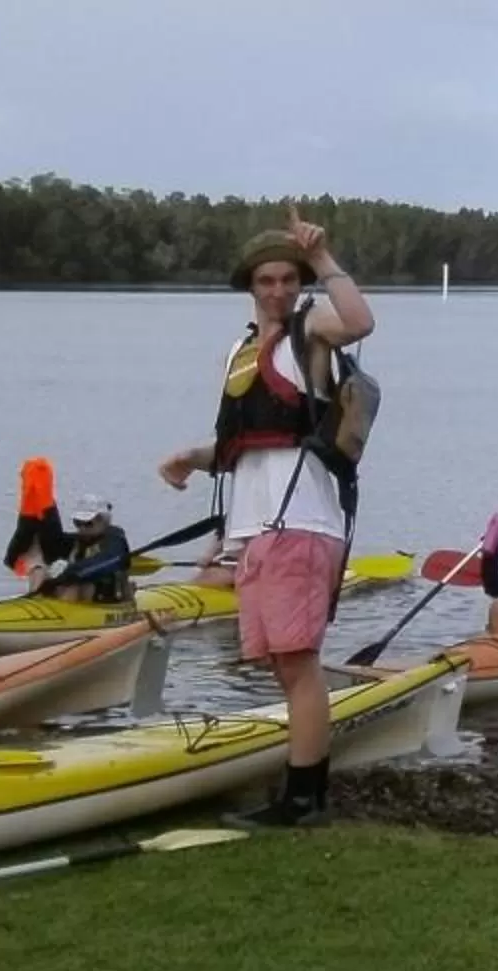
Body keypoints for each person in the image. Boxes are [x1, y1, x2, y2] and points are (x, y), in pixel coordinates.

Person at [156, 210, 373, 827]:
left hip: (300, 524)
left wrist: (325, 260)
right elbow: (245, 440)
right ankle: (301, 790)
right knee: (283, 664)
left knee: (299, 665)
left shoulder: (312, 335)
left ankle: (303, 800)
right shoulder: (242, 350)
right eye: (265, 280)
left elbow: (360, 320)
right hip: (258, 530)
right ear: (249, 287)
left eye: (287, 279)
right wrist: (193, 458)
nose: (277, 290)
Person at [37, 496, 134, 606]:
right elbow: (52, 543)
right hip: (83, 597)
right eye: (78, 523)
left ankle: (64, 617)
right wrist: (47, 507)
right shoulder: (80, 539)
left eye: (88, 523)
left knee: (75, 585)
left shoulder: (115, 540)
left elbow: (107, 561)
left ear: (103, 520)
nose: (82, 528)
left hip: (107, 601)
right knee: (40, 570)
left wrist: (69, 572)